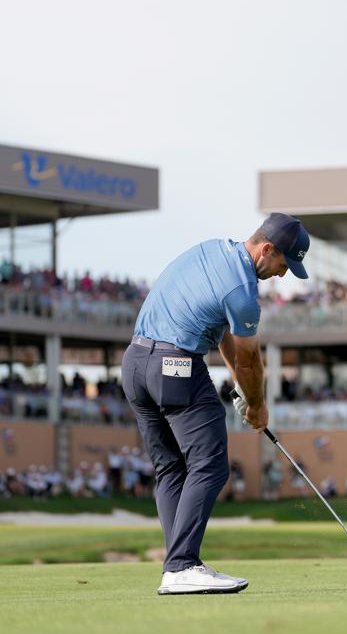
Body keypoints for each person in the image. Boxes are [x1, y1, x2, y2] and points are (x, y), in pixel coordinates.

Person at [121, 212, 310, 595]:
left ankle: (177, 567)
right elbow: (249, 360)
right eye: (283, 264)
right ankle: (182, 566)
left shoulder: (212, 251)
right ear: (266, 249)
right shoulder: (243, 295)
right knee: (210, 465)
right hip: (174, 367)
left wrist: (240, 388)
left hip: (134, 365)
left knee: (172, 468)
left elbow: (222, 333)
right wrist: (256, 405)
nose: (282, 274)